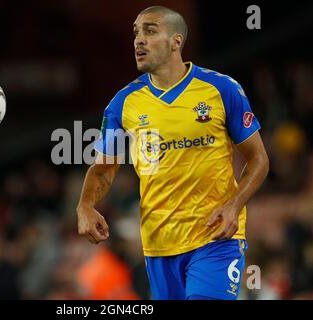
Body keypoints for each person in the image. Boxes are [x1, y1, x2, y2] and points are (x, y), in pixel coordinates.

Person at [76, 5, 269, 300]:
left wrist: (234, 205)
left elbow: (259, 159)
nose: (139, 40)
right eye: (136, 33)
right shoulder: (123, 104)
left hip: (216, 239)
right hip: (159, 245)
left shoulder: (220, 89)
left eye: (150, 31)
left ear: (176, 41)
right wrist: (86, 205)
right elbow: (104, 168)